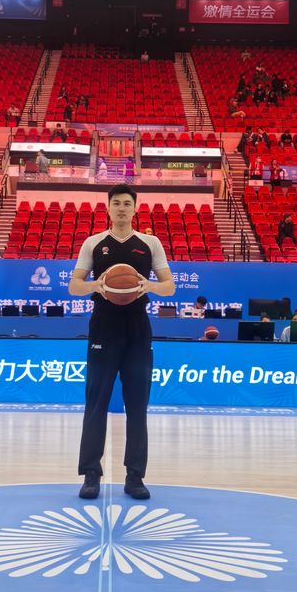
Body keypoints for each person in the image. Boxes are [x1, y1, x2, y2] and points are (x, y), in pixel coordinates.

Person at [68, 185, 176, 501]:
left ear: (135, 208)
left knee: (137, 404)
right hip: (104, 325)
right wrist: (96, 285)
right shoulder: (93, 243)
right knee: (96, 402)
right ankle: (91, 474)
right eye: (116, 203)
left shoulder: (150, 243)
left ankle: (135, 476)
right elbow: (74, 286)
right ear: (108, 207)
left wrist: (149, 286)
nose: (122, 208)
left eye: (127, 203)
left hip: (137, 327)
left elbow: (169, 286)